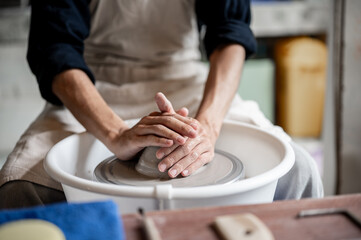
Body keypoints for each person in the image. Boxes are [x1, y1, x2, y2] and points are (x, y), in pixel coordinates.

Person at [0, 0, 323, 209]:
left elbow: (231, 33)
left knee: (298, 169)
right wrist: (115, 133)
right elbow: (55, 48)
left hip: (184, 76)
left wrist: (207, 127)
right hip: (91, 84)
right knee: (19, 189)